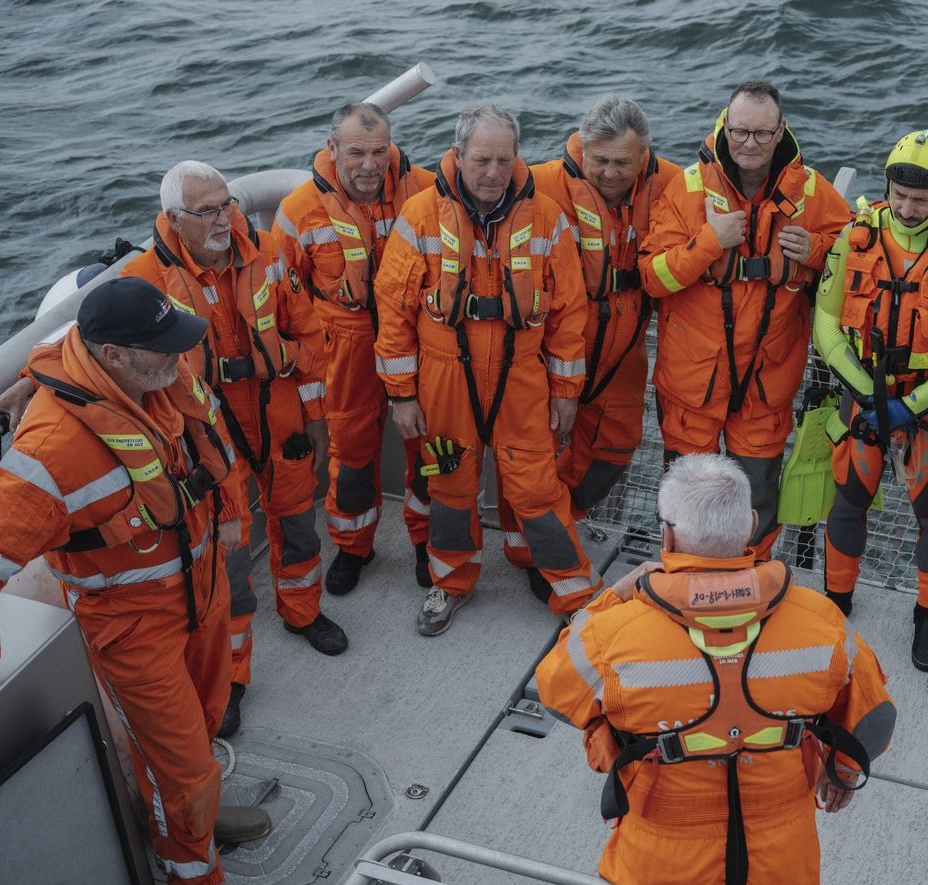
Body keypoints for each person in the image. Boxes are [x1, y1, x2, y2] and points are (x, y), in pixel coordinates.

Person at [0, 278, 271, 885]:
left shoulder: (149, 365)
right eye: (163, 349)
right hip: (134, 628)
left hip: (205, 591)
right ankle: (193, 878)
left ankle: (199, 820)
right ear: (116, 356)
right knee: (180, 766)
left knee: (209, 720)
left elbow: (60, 345)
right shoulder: (47, 454)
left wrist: (26, 376)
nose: (181, 358)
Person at [535, 454, 897, 885]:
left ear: (668, 536)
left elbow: (556, 687)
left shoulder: (613, 633)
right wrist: (840, 770)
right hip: (781, 845)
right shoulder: (820, 621)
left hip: (664, 847)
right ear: (752, 526)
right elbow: (873, 717)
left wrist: (611, 596)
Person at [126, 161, 348, 739]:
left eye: (226, 204)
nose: (224, 217)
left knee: (300, 525)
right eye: (207, 210)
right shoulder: (147, 279)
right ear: (175, 219)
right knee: (225, 560)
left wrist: (318, 419)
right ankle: (231, 675)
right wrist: (28, 378)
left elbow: (308, 337)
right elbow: (98, 348)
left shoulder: (269, 252)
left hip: (281, 419)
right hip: (210, 437)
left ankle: (302, 612)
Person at [375, 103, 598, 635]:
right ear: (458, 156)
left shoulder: (546, 217)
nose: (493, 172)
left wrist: (566, 391)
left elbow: (569, 314)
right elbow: (393, 310)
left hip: (523, 377)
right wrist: (402, 396)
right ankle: (450, 582)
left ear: (516, 158)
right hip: (442, 378)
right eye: (481, 159)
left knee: (538, 489)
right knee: (449, 488)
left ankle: (572, 593)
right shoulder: (420, 216)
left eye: (503, 159)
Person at [638, 80, 849, 559]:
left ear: (781, 133)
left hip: (766, 385)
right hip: (692, 383)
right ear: (725, 127)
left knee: (757, 503)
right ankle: (681, 583)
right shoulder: (688, 188)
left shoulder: (813, 192)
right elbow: (651, 276)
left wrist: (815, 251)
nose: (749, 144)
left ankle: (749, 589)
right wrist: (709, 243)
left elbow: (857, 260)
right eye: (740, 132)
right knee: (686, 505)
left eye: (761, 133)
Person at [813, 129, 928, 669]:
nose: (907, 208)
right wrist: (862, 392)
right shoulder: (854, 239)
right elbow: (825, 323)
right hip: (862, 393)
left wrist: (909, 407)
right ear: (886, 187)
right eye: (898, 195)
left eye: (921, 199)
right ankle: (837, 600)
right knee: (847, 499)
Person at [274, 103, 436, 594]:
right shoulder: (299, 210)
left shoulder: (425, 189)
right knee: (352, 460)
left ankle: (428, 545)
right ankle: (353, 547)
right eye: (357, 152)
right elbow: (285, 297)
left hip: (415, 337)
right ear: (332, 150)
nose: (370, 165)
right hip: (343, 351)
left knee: (429, 449)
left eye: (379, 152)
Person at [523, 95, 676, 515]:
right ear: (583, 148)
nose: (609, 173)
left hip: (623, 355)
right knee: (532, 454)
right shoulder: (537, 184)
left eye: (622, 163)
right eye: (600, 160)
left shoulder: (673, 185)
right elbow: (474, 182)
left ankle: (562, 522)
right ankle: (536, 544)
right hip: (550, 350)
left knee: (615, 447)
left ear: (643, 156)